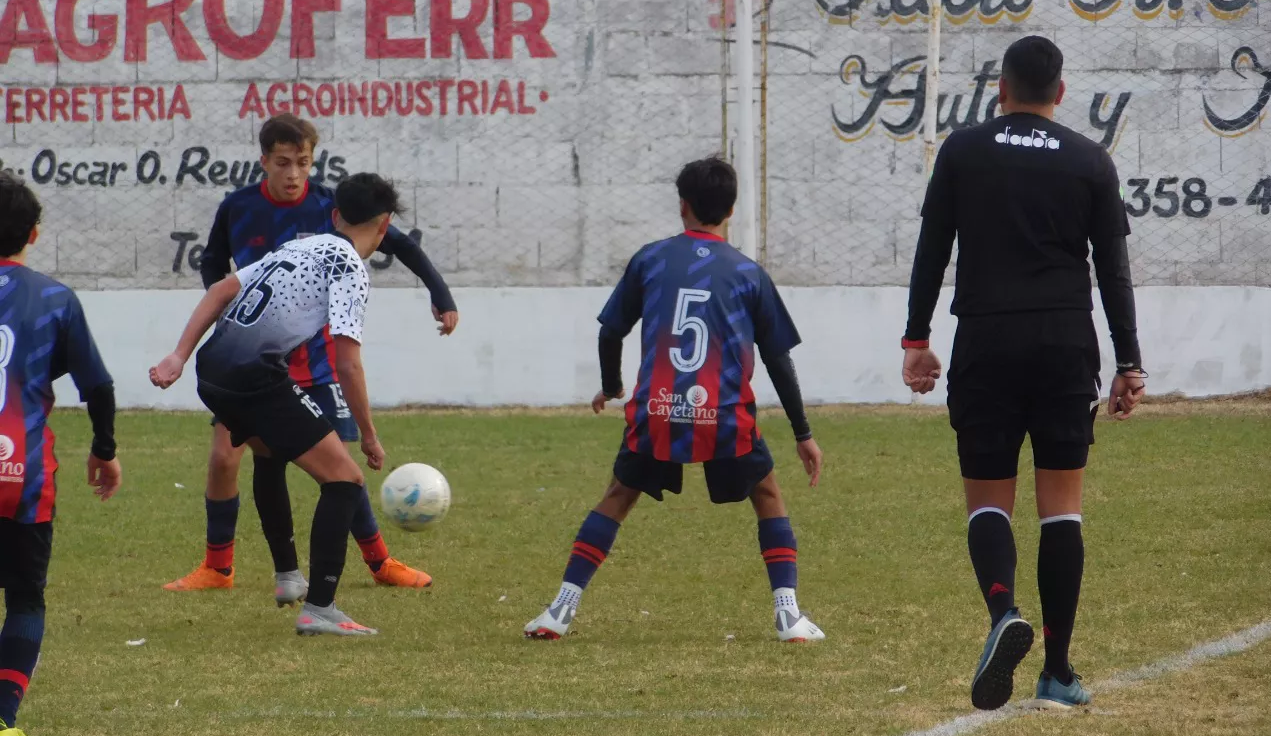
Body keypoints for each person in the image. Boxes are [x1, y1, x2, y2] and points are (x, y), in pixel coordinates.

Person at [901, 35, 1146, 711]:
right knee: (1061, 510)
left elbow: (932, 249)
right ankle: (1058, 674)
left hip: (987, 338)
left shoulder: (963, 150)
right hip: (1066, 340)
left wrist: (917, 338)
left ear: (999, 89)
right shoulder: (1091, 160)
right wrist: (1129, 361)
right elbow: (1113, 269)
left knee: (988, 501)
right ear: (1060, 93)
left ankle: (1004, 613)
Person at [524, 158, 825, 643]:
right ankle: (788, 615)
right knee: (767, 495)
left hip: (658, 411)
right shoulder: (748, 273)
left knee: (617, 497)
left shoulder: (651, 260)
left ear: (682, 205)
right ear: (731, 209)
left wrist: (614, 385)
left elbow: (610, 331)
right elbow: (777, 360)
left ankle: (560, 609)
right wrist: (804, 435)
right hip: (723, 416)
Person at [164, 114, 459, 602]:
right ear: (264, 162)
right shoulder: (238, 207)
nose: (294, 173)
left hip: (311, 360)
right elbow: (214, 265)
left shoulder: (331, 207)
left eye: (303, 162)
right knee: (233, 458)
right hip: (257, 361)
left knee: (338, 465)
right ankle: (224, 567)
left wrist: (441, 294)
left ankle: (378, 561)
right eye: (283, 163)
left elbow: (399, 243)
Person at [151, 173, 405, 638]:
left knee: (268, 454)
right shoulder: (348, 266)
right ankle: (321, 609)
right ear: (384, 226)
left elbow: (220, 289)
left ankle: (289, 578)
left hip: (213, 372)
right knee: (345, 480)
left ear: (335, 217)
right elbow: (348, 364)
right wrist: (369, 435)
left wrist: (178, 355)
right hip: (254, 380)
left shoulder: (299, 247)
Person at [0, 174, 122, 736]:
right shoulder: (54, 299)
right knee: (24, 597)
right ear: (33, 234)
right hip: (19, 475)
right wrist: (104, 449)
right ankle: (1, 721)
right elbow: (97, 385)